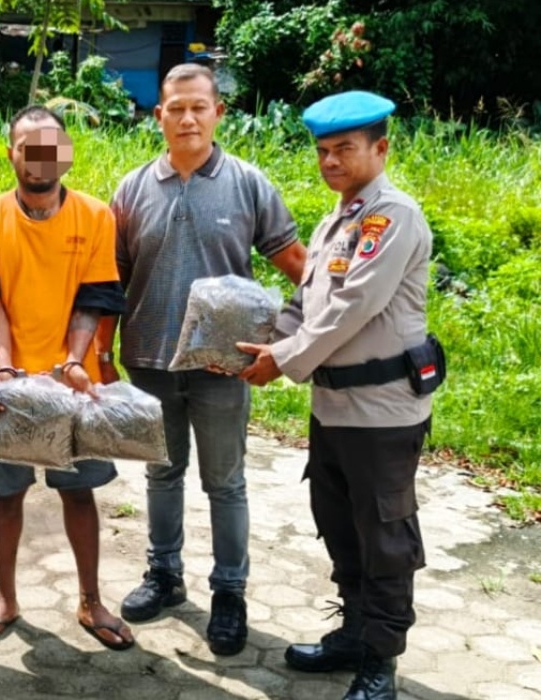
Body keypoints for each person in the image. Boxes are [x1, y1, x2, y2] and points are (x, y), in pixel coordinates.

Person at [97, 63, 307, 656]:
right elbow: (111, 279)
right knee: (161, 474)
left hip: (222, 367)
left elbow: (300, 267)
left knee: (225, 483)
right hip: (150, 362)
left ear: (218, 113)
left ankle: (229, 593)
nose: (187, 118)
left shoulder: (247, 184)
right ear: (157, 116)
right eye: (176, 108)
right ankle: (164, 574)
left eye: (198, 107)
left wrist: (286, 340)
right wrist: (102, 352)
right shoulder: (132, 189)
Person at [237, 91, 436, 700]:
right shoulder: (336, 220)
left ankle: (381, 662)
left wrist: (282, 360)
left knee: (385, 537)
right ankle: (353, 633)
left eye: (344, 149)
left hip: (382, 411)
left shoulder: (392, 217)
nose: (330, 161)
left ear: (381, 148)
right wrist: (262, 343)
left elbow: (351, 307)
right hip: (333, 408)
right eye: (323, 151)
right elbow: (306, 301)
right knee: (341, 525)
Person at [0, 106, 133, 651]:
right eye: (28, 145)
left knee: (80, 494)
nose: (40, 155)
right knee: (6, 497)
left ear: (66, 153)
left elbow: (93, 299)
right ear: (11, 153)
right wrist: (6, 369)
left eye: (52, 144)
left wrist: (75, 361)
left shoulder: (96, 217)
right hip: (4, 392)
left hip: (74, 389)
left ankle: (90, 600)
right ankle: (5, 599)